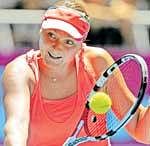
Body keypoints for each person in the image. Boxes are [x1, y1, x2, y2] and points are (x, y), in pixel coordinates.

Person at [2, 1, 150, 146]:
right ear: (41, 30)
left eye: (68, 42)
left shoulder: (97, 63)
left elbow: (141, 131)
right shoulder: (20, 72)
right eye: (51, 35)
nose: (56, 47)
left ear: (82, 43)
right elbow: (16, 129)